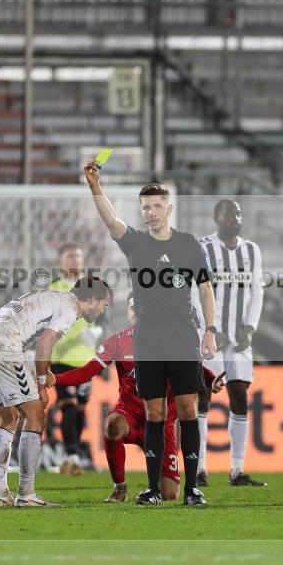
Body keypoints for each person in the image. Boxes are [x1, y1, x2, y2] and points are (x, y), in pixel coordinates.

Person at [84, 160, 217, 506]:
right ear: (141, 212)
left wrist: (210, 331)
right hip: (148, 338)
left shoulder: (188, 244)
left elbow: (204, 290)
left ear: (169, 209)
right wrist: (95, 186)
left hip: (183, 336)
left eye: (157, 206)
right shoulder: (137, 244)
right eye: (146, 207)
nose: (151, 211)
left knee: (187, 410)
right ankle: (153, 489)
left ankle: (191, 489)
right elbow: (110, 221)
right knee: (155, 413)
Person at [54, 295, 226, 502]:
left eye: (140, 308)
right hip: (131, 415)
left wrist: (211, 379)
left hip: (162, 424)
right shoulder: (118, 342)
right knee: (112, 425)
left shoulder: (170, 339)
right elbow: (86, 372)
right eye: (133, 309)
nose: (137, 313)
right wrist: (54, 379)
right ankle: (120, 487)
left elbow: (190, 366)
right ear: (128, 314)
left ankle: (171, 489)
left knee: (170, 495)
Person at [0, 277, 112, 507]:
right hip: (4, 347)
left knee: (8, 417)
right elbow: (45, 343)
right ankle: (26, 494)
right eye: (104, 305)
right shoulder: (70, 307)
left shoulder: (54, 297)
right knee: (36, 416)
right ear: (93, 299)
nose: (103, 311)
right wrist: (40, 383)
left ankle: (0, 493)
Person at [195, 200, 266, 487]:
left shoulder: (251, 250)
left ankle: (237, 470)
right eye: (228, 214)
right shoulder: (202, 248)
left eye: (238, 213)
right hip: (210, 337)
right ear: (216, 218)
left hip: (239, 339)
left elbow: (257, 290)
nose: (234, 218)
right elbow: (193, 291)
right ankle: (199, 467)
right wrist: (208, 329)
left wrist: (250, 328)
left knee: (240, 397)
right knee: (201, 397)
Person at [49, 243, 103, 475]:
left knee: (81, 409)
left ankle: (71, 455)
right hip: (61, 357)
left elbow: (104, 317)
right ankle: (73, 455)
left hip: (86, 359)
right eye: (70, 256)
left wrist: (97, 333)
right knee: (68, 406)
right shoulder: (55, 289)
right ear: (61, 260)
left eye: (78, 256)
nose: (75, 261)